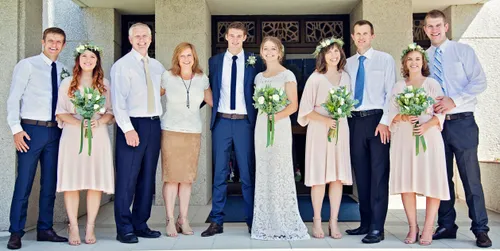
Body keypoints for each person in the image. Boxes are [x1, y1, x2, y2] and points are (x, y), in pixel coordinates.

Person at [423, 10, 491, 248]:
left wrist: (455, 100)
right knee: (441, 179)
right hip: (435, 126)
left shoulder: (463, 51)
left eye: (438, 25)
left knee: (471, 179)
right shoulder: (423, 57)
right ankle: (447, 225)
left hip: (462, 121)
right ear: (425, 29)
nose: (434, 30)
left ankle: (480, 229)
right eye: (430, 26)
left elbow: (480, 81)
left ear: (447, 26)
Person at [6, 27, 69, 250]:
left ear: (63, 45)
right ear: (43, 42)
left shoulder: (64, 70)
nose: (54, 45)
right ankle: (16, 232)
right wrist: (16, 129)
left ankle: (45, 228)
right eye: (50, 40)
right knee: (24, 182)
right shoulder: (27, 65)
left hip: (55, 131)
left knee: (50, 183)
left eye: (59, 42)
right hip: (30, 131)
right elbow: (14, 98)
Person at [202, 21, 260, 237]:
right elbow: (206, 86)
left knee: (247, 173)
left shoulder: (256, 62)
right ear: (226, 37)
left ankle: (253, 220)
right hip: (222, 122)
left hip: (245, 122)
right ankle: (216, 221)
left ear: (245, 38)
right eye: (231, 36)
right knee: (219, 173)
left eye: (239, 36)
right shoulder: (215, 61)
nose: (235, 40)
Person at [388, 43, 450, 246]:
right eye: (409, 59)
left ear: (423, 62)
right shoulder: (398, 86)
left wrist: (426, 125)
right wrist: (404, 115)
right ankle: (412, 226)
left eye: (417, 59)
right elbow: (391, 113)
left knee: (432, 182)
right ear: (404, 63)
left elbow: (441, 112)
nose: (413, 63)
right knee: (408, 183)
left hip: (429, 137)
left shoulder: (432, 84)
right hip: (405, 139)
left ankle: (428, 227)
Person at [55, 43, 115, 245]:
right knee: (72, 182)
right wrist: (80, 122)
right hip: (73, 135)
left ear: (97, 61)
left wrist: (99, 121)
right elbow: (61, 111)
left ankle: (90, 227)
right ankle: (73, 227)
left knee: (94, 182)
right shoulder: (67, 83)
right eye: (84, 57)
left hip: (98, 135)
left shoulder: (104, 84)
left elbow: (111, 112)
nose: (88, 60)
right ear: (78, 60)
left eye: (92, 57)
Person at [111, 22, 165, 244]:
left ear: (151, 39)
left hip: (154, 124)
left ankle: (140, 224)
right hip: (133, 125)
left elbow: (163, 91)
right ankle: (124, 228)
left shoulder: (157, 66)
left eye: (145, 36)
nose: (142, 40)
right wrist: (127, 128)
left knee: (147, 177)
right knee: (127, 178)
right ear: (130, 39)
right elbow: (118, 101)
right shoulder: (122, 66)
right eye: (137, 36)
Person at [251, 36, 309, 241]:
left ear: (280, 52)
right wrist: (265, 116)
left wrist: (274, 116)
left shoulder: (288, 75)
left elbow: (293, 105)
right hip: (261, 127)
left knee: (280, 170)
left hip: (280, 126)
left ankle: (284, 219)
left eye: (273, 48)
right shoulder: (258, 77)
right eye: (265, 48)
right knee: (264, 171)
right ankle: (265, 222)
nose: (269, 52)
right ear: (261, 52)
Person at [344, 20, 396, 244]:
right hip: (354, 122)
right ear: (353, 37)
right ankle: (364, 222)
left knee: (378, 175)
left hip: (377, 122)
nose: (362, 37)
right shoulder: (347, 63)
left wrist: (385, 122)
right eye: (358, 34)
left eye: (366, 33)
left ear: (372, 36)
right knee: (361, 176)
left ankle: (377, 227)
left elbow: (391, 94)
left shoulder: (385, 59)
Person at [297, 37, 353, 239]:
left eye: (336, 51)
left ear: (341, 54)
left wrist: (339, 116)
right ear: (323, 55)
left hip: (340, 128)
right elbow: (304, 111)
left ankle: (334, 222)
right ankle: (317, 221)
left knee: (337, 178)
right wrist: (325, 120)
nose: (333, 55)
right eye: (329, 52)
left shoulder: (345, 77)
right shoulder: (315, 78)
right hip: (319, 131)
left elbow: (350, 104)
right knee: (320, 178)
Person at [160, 42, 213, 237]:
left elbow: (213, 101)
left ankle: (184, 219)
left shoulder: (202, 78)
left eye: (189, 55)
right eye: (182, 55)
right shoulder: (167, 77)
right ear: (176, 58)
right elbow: (149, 98)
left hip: (193, 132)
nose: (186, 59)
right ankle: (170, 219)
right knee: (172, 178)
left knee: (187, 179)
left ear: (194, 57)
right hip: (171, 131)